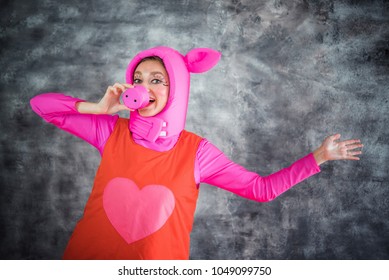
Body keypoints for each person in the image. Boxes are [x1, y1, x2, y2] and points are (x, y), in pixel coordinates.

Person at [30, 46, 363, 260]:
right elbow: (42, 107)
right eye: (138, 79)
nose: (142, 88)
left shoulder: (197, 152)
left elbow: (261, 190)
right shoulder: (110, 131)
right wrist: (98, 108)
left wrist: (317, 157)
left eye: (157, 80)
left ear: (177, 90)